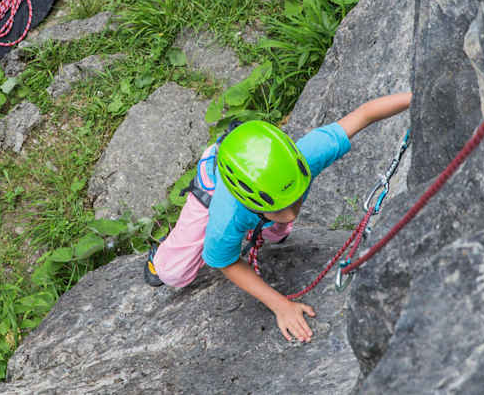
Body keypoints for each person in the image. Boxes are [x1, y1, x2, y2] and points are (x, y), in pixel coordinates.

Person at [144, 92, 412, 343]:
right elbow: (226, 263)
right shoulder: (225, 219)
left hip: (254, 170)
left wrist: (416, 96)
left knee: (277, 231)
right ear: (250, 203)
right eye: (281, 207)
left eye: (295, 199)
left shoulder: (304, 159)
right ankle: (164, 254)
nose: (292, 211)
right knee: (174, 273)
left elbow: (364, 114)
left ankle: (262, 226)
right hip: (213, 187)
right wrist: (280, 305)